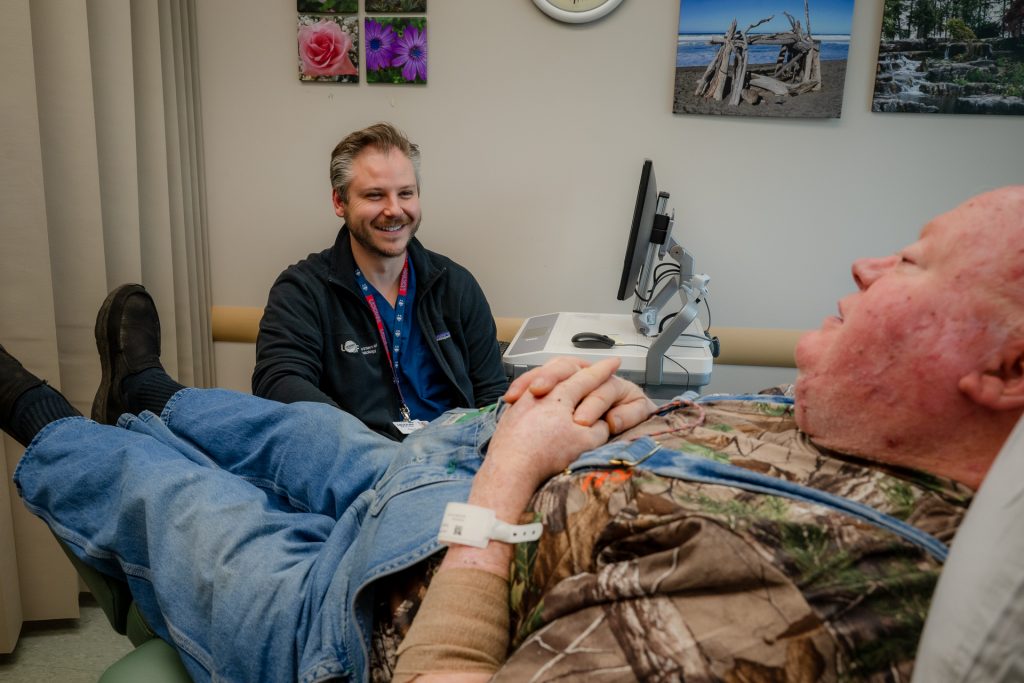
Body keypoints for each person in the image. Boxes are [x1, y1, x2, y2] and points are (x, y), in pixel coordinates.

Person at [2, 185, 1022, 682]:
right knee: (295, 426)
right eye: (373, 194)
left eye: (912, 262)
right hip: (455, 480)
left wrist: (504, 480)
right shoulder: (856, 428)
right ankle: (149, 387)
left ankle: (37, 411)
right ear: (340, 204)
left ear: (1006, 372)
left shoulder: (826, 593)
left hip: (373, 602)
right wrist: (633, 420)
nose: (867, 266)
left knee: (178, 500)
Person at [252, 122, 507, 440]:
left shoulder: (456, 286)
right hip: (355, 458)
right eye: (375, 195)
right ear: (339, 202)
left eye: (406, 193)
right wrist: (363, 443)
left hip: (452, 457)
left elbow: (492, 396)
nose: (394, 210)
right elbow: (278, 382)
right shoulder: (302, 291)